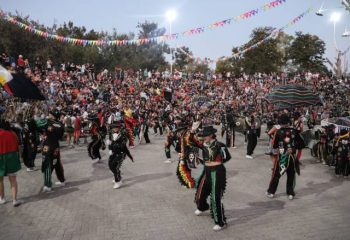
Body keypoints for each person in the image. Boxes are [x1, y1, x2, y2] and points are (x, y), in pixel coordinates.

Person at [191, 125, 231, 231]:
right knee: (201, 192)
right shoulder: (203, 145)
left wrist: (215, 162)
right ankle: (202, 206)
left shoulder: (219, 145)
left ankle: (220, 222)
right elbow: (190, 142)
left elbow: (227, 157)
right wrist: (192, 129)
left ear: (210, 135)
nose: (203, 137)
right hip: (207, 171)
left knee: (215, 197)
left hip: (217, 172)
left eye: (205, 136)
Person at [266, 114, 303, 200]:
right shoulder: (294, 131)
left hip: (282, 157)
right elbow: (301, 144)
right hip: (292, 157)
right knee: (291, 175)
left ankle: (271, 192)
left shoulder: (278, 132)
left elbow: (274, 145)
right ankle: (290, 193)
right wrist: (293, 148)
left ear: (281, 122)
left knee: (276, 175)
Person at [41, 110, 66, 192]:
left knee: (47, 165)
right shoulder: (60, 124)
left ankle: (48, 185)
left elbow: (39, 126)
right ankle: (62, 180)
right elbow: (61, 136)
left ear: (53, 115)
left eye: (50, 114)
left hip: (48, 146)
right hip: (56, 146)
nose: (48, 115)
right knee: (57, 163)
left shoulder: (47, 122)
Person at [0, 120, 23, 207]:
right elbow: (18, 145)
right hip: (12, 156)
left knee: (0, 179)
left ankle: (2, 198)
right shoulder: (12, 133)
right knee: (13, 179)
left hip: (0, 156)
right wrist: (20, 156)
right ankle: (14, 200)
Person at [107, 121, 134, 189]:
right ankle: (118, 176)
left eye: (116, 127)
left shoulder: (123, 134)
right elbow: (110, 143)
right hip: (113, 152)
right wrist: (110, 148)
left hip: (121, 153)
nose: (115, 128)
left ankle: (118, 181)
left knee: (115, 167)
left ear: (119, 128)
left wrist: (130, 156)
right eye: (114, 127)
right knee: (110, 166)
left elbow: (123, 146)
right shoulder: (111, 133)